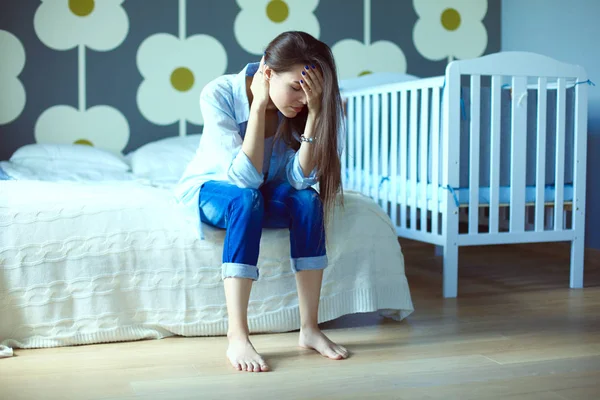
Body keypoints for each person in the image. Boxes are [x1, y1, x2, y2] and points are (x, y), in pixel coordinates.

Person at [174, 31, 348, 373]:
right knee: (246, 197)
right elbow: (243, 180)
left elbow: (299, 180)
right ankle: (237, 334)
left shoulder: (308, 106)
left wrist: (314, 114)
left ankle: (310, 329)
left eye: (310, 90)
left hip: (262, 191)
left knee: (308, 201)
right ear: (267, 73)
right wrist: (258, 106)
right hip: (214, 188)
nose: (302, 98)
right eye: (296, 88)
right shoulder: (219, 93)